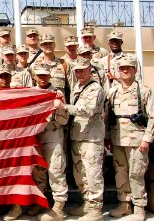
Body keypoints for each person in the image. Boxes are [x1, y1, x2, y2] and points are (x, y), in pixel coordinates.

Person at [55, 58, 105, 221]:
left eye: (83, 69)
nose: (79, 73)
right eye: (76, 70)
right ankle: (87, 203)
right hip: (78, 136)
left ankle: (96, 209)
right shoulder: (77, 86)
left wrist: (64, 107)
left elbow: (88, 110)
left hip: (91, 138)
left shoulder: (95, 88)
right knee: (80, 173)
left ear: (90, 69)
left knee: (92, 172)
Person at [105, 55, 153, 220]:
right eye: (122, 68)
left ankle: (139, 208)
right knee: (120, 173)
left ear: (135, 70)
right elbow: (107, 116)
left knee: (136, 174)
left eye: (128, 68)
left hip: (137, 141)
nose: (125, 70)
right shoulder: (113, 92)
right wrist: (107, 137)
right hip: (118, 139)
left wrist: (147, 138)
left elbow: (152, 117)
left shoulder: (144, 91)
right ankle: (124, 204)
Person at [34, 64, 69, 221]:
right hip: (36, 136)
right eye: (39, 75)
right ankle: (40, 202)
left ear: (50, 76)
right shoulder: (31, 92)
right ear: (35, 76)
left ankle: (59, 206)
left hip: (53, 134)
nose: (42, 77)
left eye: (45, 75)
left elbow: (64, 119)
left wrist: (59, 107)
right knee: (38, 171)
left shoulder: (57, 93)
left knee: (55, 170)